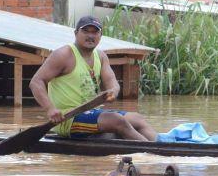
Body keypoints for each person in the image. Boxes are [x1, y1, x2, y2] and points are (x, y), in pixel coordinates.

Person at [29, 16, 158, 141]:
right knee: (116, 120)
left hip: (92, 112)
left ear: (100, 36)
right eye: (85, 31)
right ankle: (152, 151)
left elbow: (112, 82)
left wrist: (113, 92)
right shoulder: (63, 55)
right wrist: (50, 109)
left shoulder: (101, 56)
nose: (90, 36)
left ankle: (160, 144)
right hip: (67, 118)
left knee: (137, 118)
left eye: (95, 32)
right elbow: (36, 82)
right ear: (76, 33)